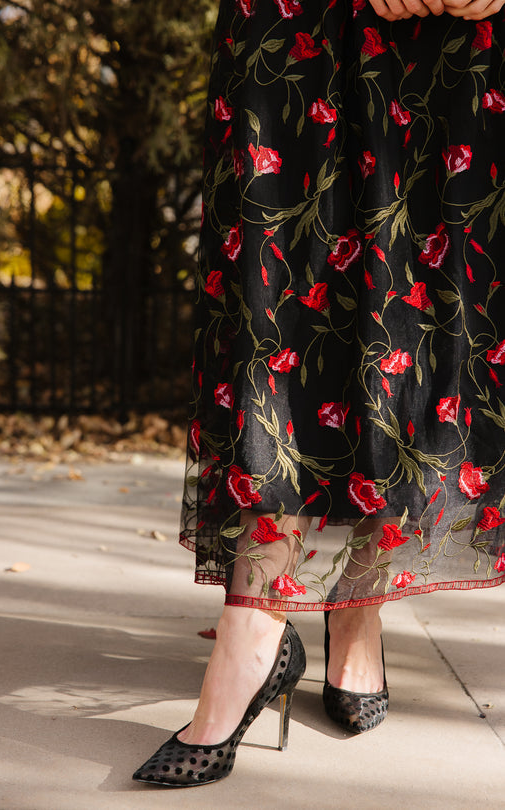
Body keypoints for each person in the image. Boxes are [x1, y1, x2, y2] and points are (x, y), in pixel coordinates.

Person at [133, 0, 505, 787]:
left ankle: (358, 601)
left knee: (426, 312)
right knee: (283, 300)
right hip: (304, 16)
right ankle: (255, 618)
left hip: (465, 27)